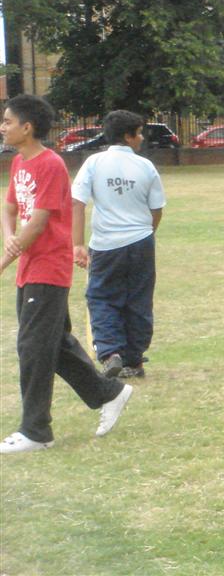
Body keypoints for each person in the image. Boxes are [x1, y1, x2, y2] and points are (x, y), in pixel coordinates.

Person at [0, 94, 133, 454]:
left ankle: (36, 432)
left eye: (8, 121)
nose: (3, 127)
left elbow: (38, 223)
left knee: (33, 347)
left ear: (27, 127)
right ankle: (110, 393)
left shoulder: (51, 165)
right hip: (29, 267)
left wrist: (4, 259)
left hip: (49, 268)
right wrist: (9, 239)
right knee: (53, 344)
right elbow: (9, 208)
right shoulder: (19, 163)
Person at [71, 110, 166, 380]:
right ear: (128, 136)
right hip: (141, 242)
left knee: (101, 297)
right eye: (139, 132)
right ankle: (134, 360)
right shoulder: (145, 166)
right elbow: (156, 209)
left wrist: (78, 244)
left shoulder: (94, 162)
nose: (142, 137)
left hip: (105, 245)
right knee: (138, 300)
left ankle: (110, 352)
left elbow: (77, 202)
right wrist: (146, 233)